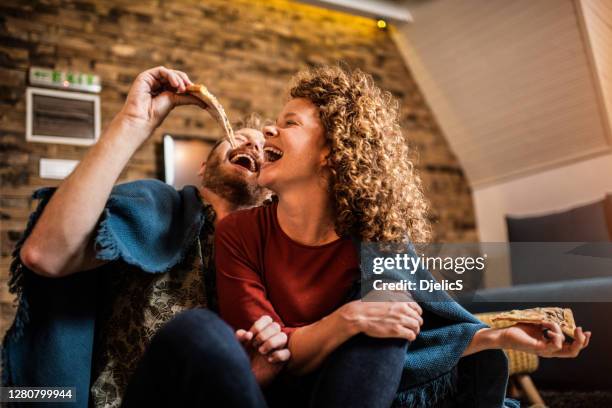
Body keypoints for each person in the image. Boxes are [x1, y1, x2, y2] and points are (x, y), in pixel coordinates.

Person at [209, 66, 591, 407]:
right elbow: (268, 354)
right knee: (377, 315)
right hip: (282, 392)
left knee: (387, 315)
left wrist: (499, 338)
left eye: (289, 122)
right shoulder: (237, 234)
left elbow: (415, 334)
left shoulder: (379, 234)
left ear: (331, 150)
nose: (267, 130)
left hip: (363, 382)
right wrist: (349, 319)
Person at [2, 66, 289, 408]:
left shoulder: (276, 246)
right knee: (200, 329)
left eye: (266, 151)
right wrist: (134, 120)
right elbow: (43, 255)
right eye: (240, 138)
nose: (253, 145)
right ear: (202, 167)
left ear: (275, 188)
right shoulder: (153, 206)